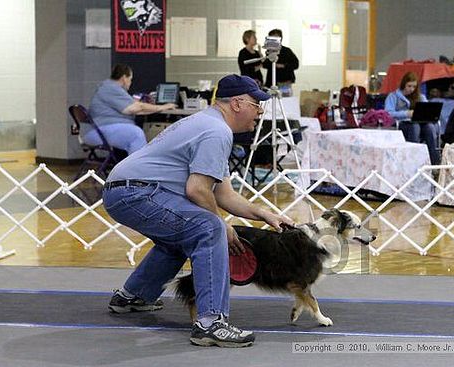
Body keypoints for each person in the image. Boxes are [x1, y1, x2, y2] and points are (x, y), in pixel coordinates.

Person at [102, 74, 294, 348]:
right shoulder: (217, 131)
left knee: (183, 235)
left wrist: (265, 214)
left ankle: (134, 296)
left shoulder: (208, 124)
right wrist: (220, 223)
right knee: (209, 228)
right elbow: (197, 189)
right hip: (135, 192)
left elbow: (223, 194)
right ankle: (211, 323)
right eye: (256, 104)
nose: (260, 111)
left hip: (122, 190)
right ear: (237, 103)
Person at [86, 64, 176, 155]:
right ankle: (137, 167)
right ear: (124, 77)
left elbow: (138, 110)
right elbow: (134, 108)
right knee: (136, 134)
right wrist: (163, 107)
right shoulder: (112, 88)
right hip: (100, 131)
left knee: (134, 136)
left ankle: (132, 166)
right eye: (130, 79)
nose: (131, 82)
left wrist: (147, 107)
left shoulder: (108, 87)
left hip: (99, 130)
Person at [384, 72, 440, 165]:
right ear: (403, 84)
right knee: (415, 126)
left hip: (420, 123)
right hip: (402, 124)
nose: (411, 89)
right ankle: (413, 161)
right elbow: (388, 113)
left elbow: (427, 110)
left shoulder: (421, 97)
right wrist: (406, 114)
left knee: (429, 127)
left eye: (414, 87)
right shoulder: (393, 96)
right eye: (409, 86)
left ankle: (435, 162)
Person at [262, 29, 299, 96]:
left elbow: (296, 64)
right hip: (271, 83)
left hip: (284, 83)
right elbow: (265, 65)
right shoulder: (269, 51)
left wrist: (283, 65)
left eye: (275, 37)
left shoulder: (287, 51)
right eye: (272, 38)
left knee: (285, 102)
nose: (274, 40)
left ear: (280, 38)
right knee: (270, 102)